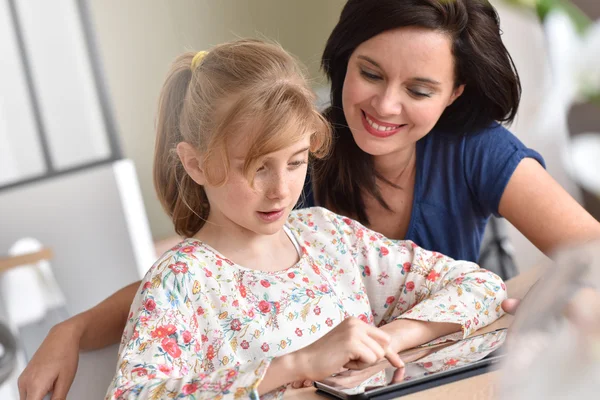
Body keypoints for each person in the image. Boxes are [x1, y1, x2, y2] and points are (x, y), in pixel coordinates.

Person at [18, 0, 600, 398]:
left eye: (419, 89)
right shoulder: (303, 155)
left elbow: (560, 261)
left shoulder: (331, 225)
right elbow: (196, 278)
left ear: (453, 94)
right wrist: (75, 327)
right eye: (370, 73)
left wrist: (390, 337)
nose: (387, 105)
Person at [88, 39, 505, 398]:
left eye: (296, 162)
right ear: (195, 164)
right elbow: (132, 395)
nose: (281, 190)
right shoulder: (181, 280)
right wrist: (299, 364)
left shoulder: (327, 236)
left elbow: (480, 286)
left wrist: (385, 340)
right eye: (257, 168)